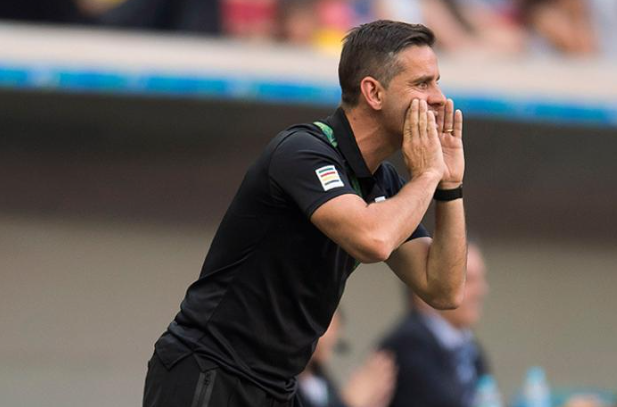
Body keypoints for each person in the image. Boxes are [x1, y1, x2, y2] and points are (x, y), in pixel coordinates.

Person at [144, 20, 467, 407]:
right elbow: (374, 240)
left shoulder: (385, 183)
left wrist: (449, 185)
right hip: (211, 368)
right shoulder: (303, 151)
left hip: (276, 385)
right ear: (373, 92)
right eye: (422, 84)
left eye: (436, 82)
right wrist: (428, 175)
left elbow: (444, 289)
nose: (439, 98)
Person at [379, 242, 491, 407]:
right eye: (467, 280)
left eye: (481, 280)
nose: (481, 291)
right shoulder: (409, 346)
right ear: (424, 286)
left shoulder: (468, 348)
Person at [298, 311, 397, 407]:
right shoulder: (291, 384)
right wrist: (349, 402)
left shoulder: (320, 378)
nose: (334, 337)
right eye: (330, 327)